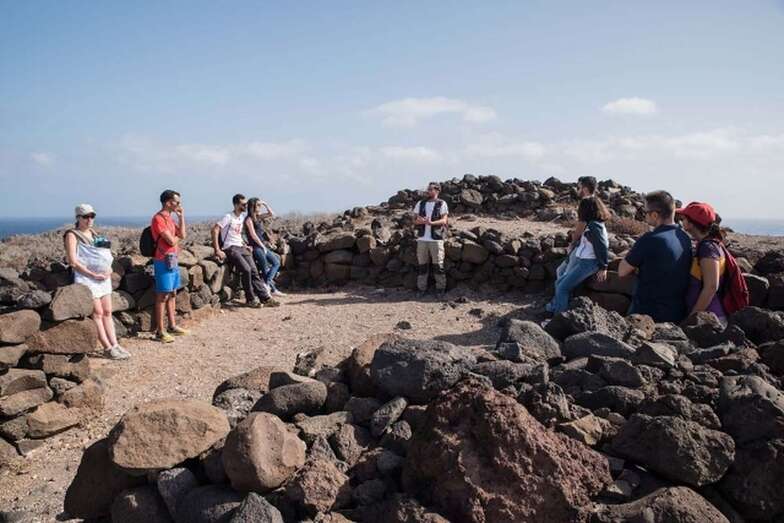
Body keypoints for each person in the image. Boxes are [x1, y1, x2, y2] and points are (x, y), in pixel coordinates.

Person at [64, 204, 130, 359]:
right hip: (87, 278)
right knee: (98, 313)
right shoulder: (72, 235)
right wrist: (92, 273)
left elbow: (104, 255)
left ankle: (115, 345)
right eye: (85, 217)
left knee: (107, 311)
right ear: (78, 218)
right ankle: (107, 348)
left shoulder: (94, 234)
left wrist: (108, 270)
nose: (89, 220)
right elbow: (73, 261)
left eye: (92, 216)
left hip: (102, 278)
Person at [618, 190, 693, 323]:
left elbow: (622, 271)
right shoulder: (685, 238)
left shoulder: (650, 239)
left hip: (647, 315)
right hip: (676, 314)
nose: (643, 215)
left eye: (645, 212)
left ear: (654, 215)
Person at [212, 194, 279, 307]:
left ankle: (265, 298)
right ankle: (250, 299)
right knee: (246, 270)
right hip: (230, 247)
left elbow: (237, 234)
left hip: (241, 247)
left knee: (254, 271)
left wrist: (244, 244)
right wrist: (217, 249)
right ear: (236, 204)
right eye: (243, 204)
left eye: (246, 204)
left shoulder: (241, 217)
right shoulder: (228, 217)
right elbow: (215, 230)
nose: (246, 206)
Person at [546, 197, 610, 313]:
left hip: (588, 263)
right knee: (560, 283)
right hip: (584, 261)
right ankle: (559, 310)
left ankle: (558, 318)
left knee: (562, 288)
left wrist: (603, 267)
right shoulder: (594, 224)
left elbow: (602, 246)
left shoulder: (595, 226)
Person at [677, 202, 728, 321]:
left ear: (691, 223)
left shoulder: (708, 248)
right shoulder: (707, 244)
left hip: (710, 319)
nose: (681, 221)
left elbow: (711, 287)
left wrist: (693, 317)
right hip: (706, 317)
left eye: (683, 218)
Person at [151, 190, 190, 343]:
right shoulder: (158, 219)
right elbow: (171, 241)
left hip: (172, 258)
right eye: (177, 202)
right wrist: (177, 237)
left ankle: (172, 326)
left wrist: (181, 218)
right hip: (162, 260)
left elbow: (183, 235)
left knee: (172, 293)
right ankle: (160, 331)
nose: (179, 205)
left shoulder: (169, 218)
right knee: (162, 295)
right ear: (168, 202)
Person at [557, 176, 599, 279]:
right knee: (561, 271)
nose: (577, 190)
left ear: (584, 189)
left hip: (584, 245)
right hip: (591, 243)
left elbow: (582, 225)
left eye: (578, 187)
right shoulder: (597, 202)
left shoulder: (585, 202)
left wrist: (573, 242)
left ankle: (561, 294)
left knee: (565, 275)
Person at [245, 197, 286, 297]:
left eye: (260, 205)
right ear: (253, 206)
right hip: (256, 247)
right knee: (264, 269)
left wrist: (265, 204)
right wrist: (262, 245)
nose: (259, 207)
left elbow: (272, 214)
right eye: (258, 205)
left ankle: (267, 285)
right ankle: (272, 289)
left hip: (262, 246)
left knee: (276, 262)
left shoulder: (258, 217)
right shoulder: (248, 219)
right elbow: (253, 235)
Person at [413, 182, 449, 295]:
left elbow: (444, 220)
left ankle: (440, 289)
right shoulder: (421, 203)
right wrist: (421, 221)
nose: (428, 191)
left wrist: (431, 223)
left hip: (436, 238)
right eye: (428, 189)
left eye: (430, 189)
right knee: (422, 265)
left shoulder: (442, 203)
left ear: (437, 191)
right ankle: (421, 289)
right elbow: (414, 219)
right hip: (422, 238)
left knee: (438, 265)